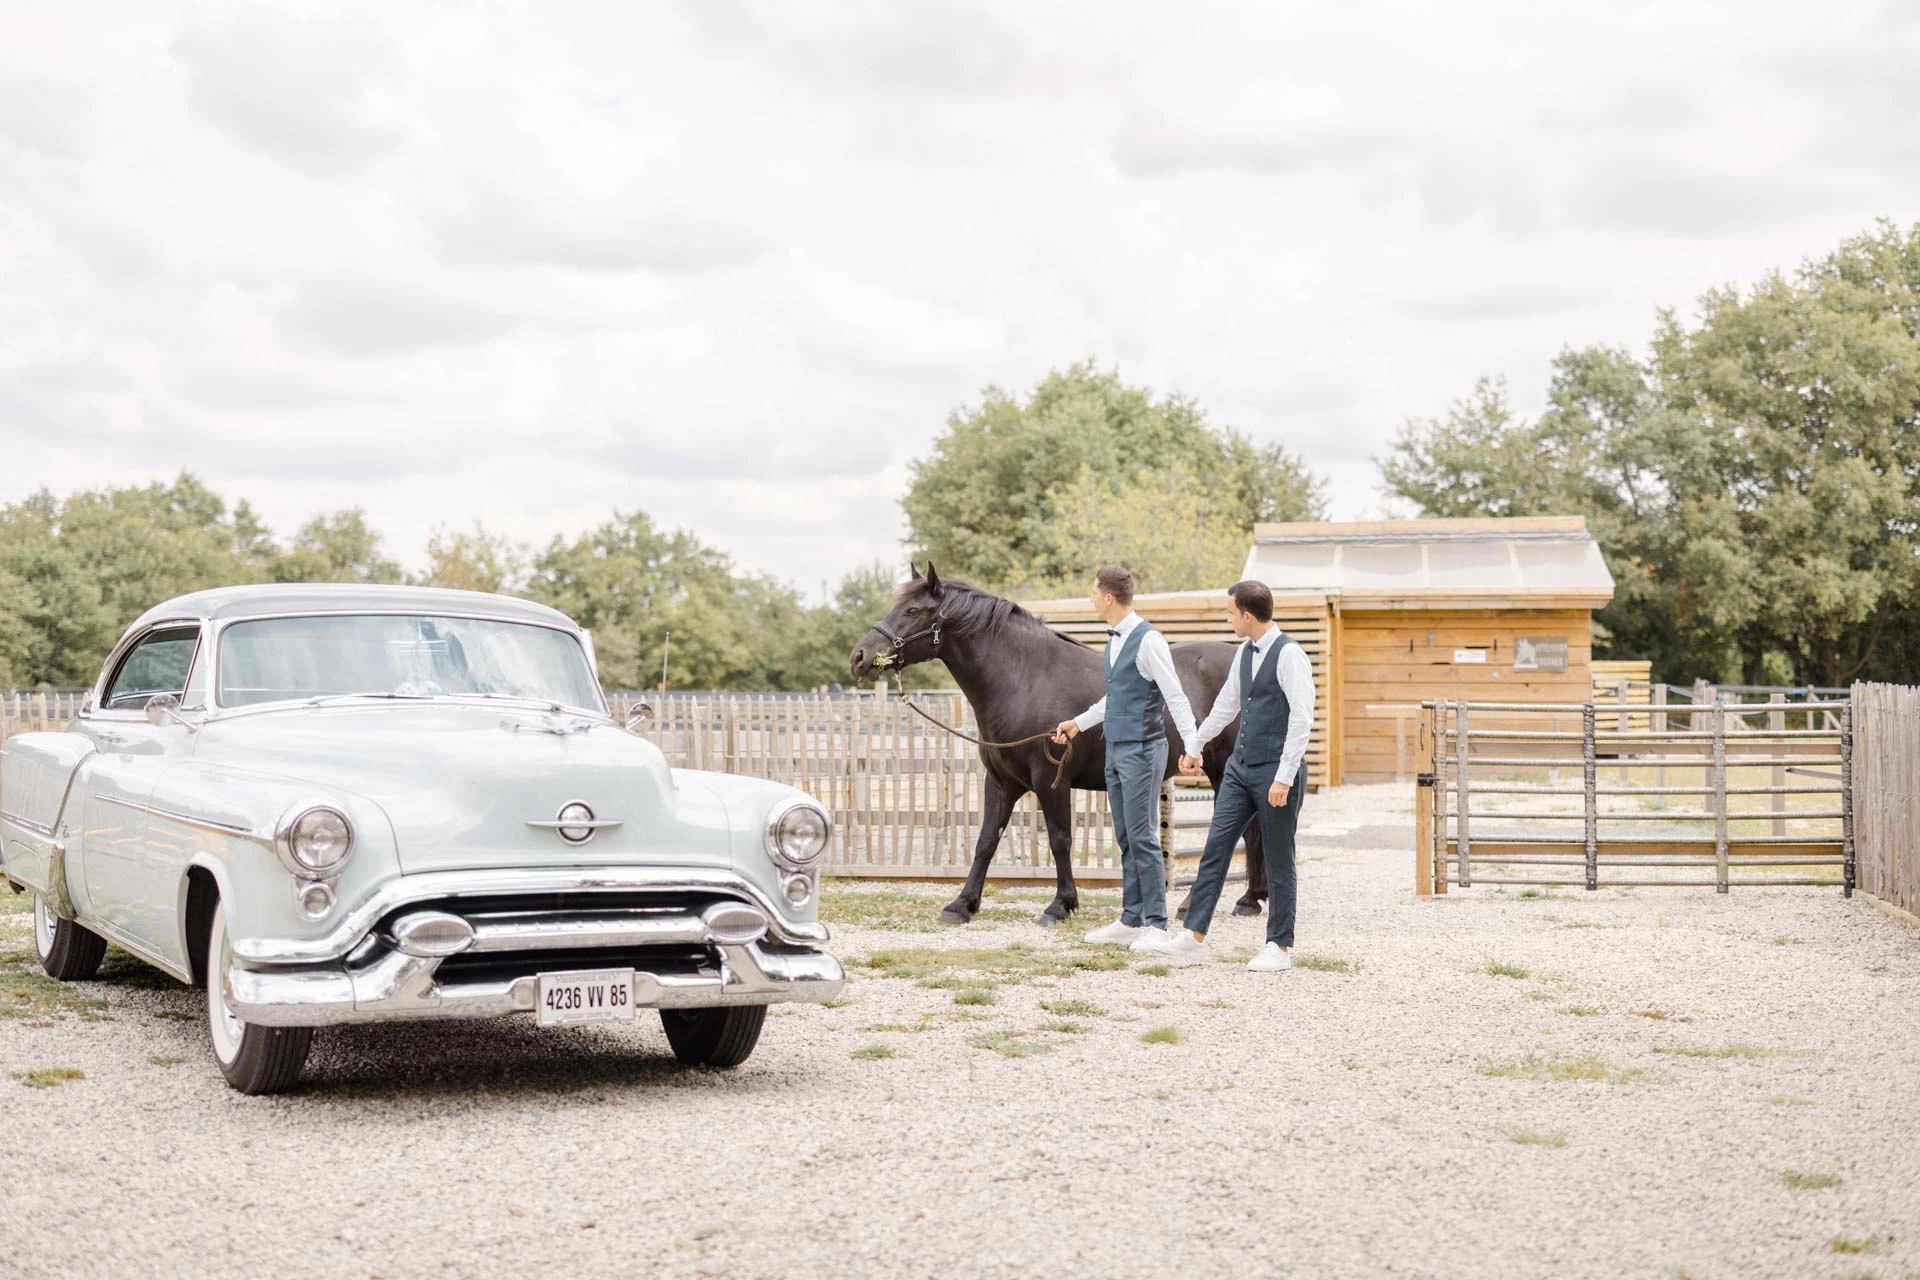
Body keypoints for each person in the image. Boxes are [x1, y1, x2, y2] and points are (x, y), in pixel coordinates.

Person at [1137, 579, 1313, 972]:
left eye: (1231, 612)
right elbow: (1224, 706)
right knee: (1215, 847)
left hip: (1275, 772)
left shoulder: (1290, 656)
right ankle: (1194, 934)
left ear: (1248, 616)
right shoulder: (1245, 654)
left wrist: (1284, 777)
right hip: (1240, 768)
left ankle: (1279, 946)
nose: (1228, 618)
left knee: (1279, 857)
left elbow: (1302, 720)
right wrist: (1195, 746)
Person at [1052, 565, 1200, 952]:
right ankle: (1131, 917)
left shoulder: (1149, 640)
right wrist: (1077, 724)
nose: (1090, 598)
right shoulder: (1114, 641)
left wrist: (1193, 745)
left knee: (1143, 836)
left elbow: (1176, 696)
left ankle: (1156, 922)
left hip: (1143, 749)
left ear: (1108, 598)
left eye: (1093, 592)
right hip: (1116, 748)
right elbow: (1115, 698)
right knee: (1125, 836)